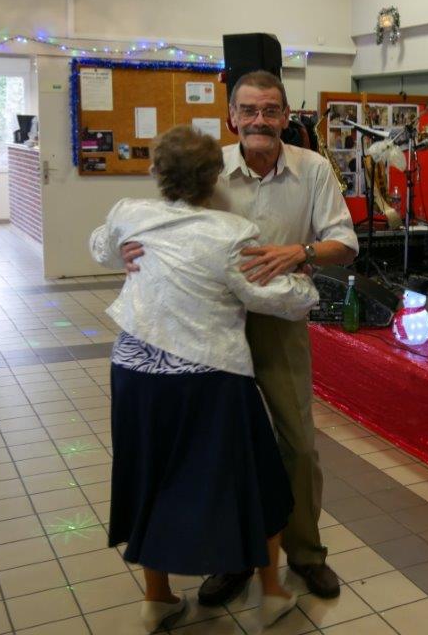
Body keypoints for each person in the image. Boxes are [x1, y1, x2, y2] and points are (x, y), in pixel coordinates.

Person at [122, 70, 358, 605]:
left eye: (270, 110)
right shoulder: (211, 169)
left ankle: (306, 554)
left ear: (286, 116)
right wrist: (125, 246)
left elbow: (344, 243)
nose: (259, 120)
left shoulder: (313, 169)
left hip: (279, 324)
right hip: (212, 326)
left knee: (298, 445)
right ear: (232, 117)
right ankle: (232, 559)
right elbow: (163, 223)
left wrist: (300, 252)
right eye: (249, 110)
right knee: (222, 449)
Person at [91, 126, 319, 632]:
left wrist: (118, 254)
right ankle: (272, 592)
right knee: (256, 478)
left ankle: (158, 598)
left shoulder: (129, 213)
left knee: (150, 472)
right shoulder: (231, 233)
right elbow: (271, 296)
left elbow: (100, 248)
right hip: (208, 376)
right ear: (216, 176)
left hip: (134, 372)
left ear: (156, 172)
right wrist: (307, 286)